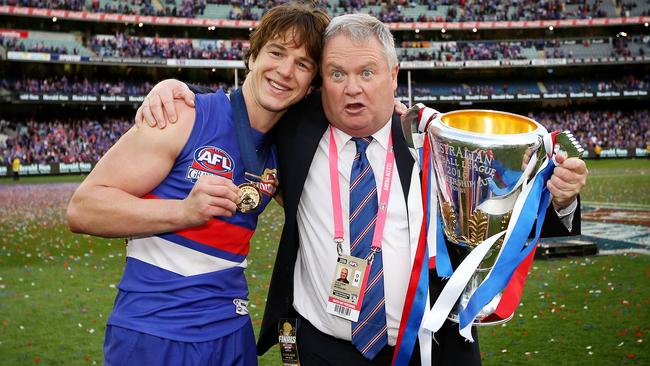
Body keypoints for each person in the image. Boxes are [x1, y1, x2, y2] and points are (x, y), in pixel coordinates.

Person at [137, 14, 587, 366]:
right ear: (320, 85)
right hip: (324, 352)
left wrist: (562, 197)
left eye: (367, 72)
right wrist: (176, 90)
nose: (352, 88)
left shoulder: (436, 144)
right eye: (336, 74)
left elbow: (498, 216)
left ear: (394, 76)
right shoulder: (295, 133)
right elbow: (250, 101)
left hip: (428, 347)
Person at [66, 3, 330, 365]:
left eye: (302, 64)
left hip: (232, 335)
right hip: (154, 332)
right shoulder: (182, 115)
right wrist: (183, 211)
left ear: (311, 84)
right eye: (277, 52)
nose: (285, 71)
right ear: (252, 56)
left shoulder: (286, 149)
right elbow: (83, 208)